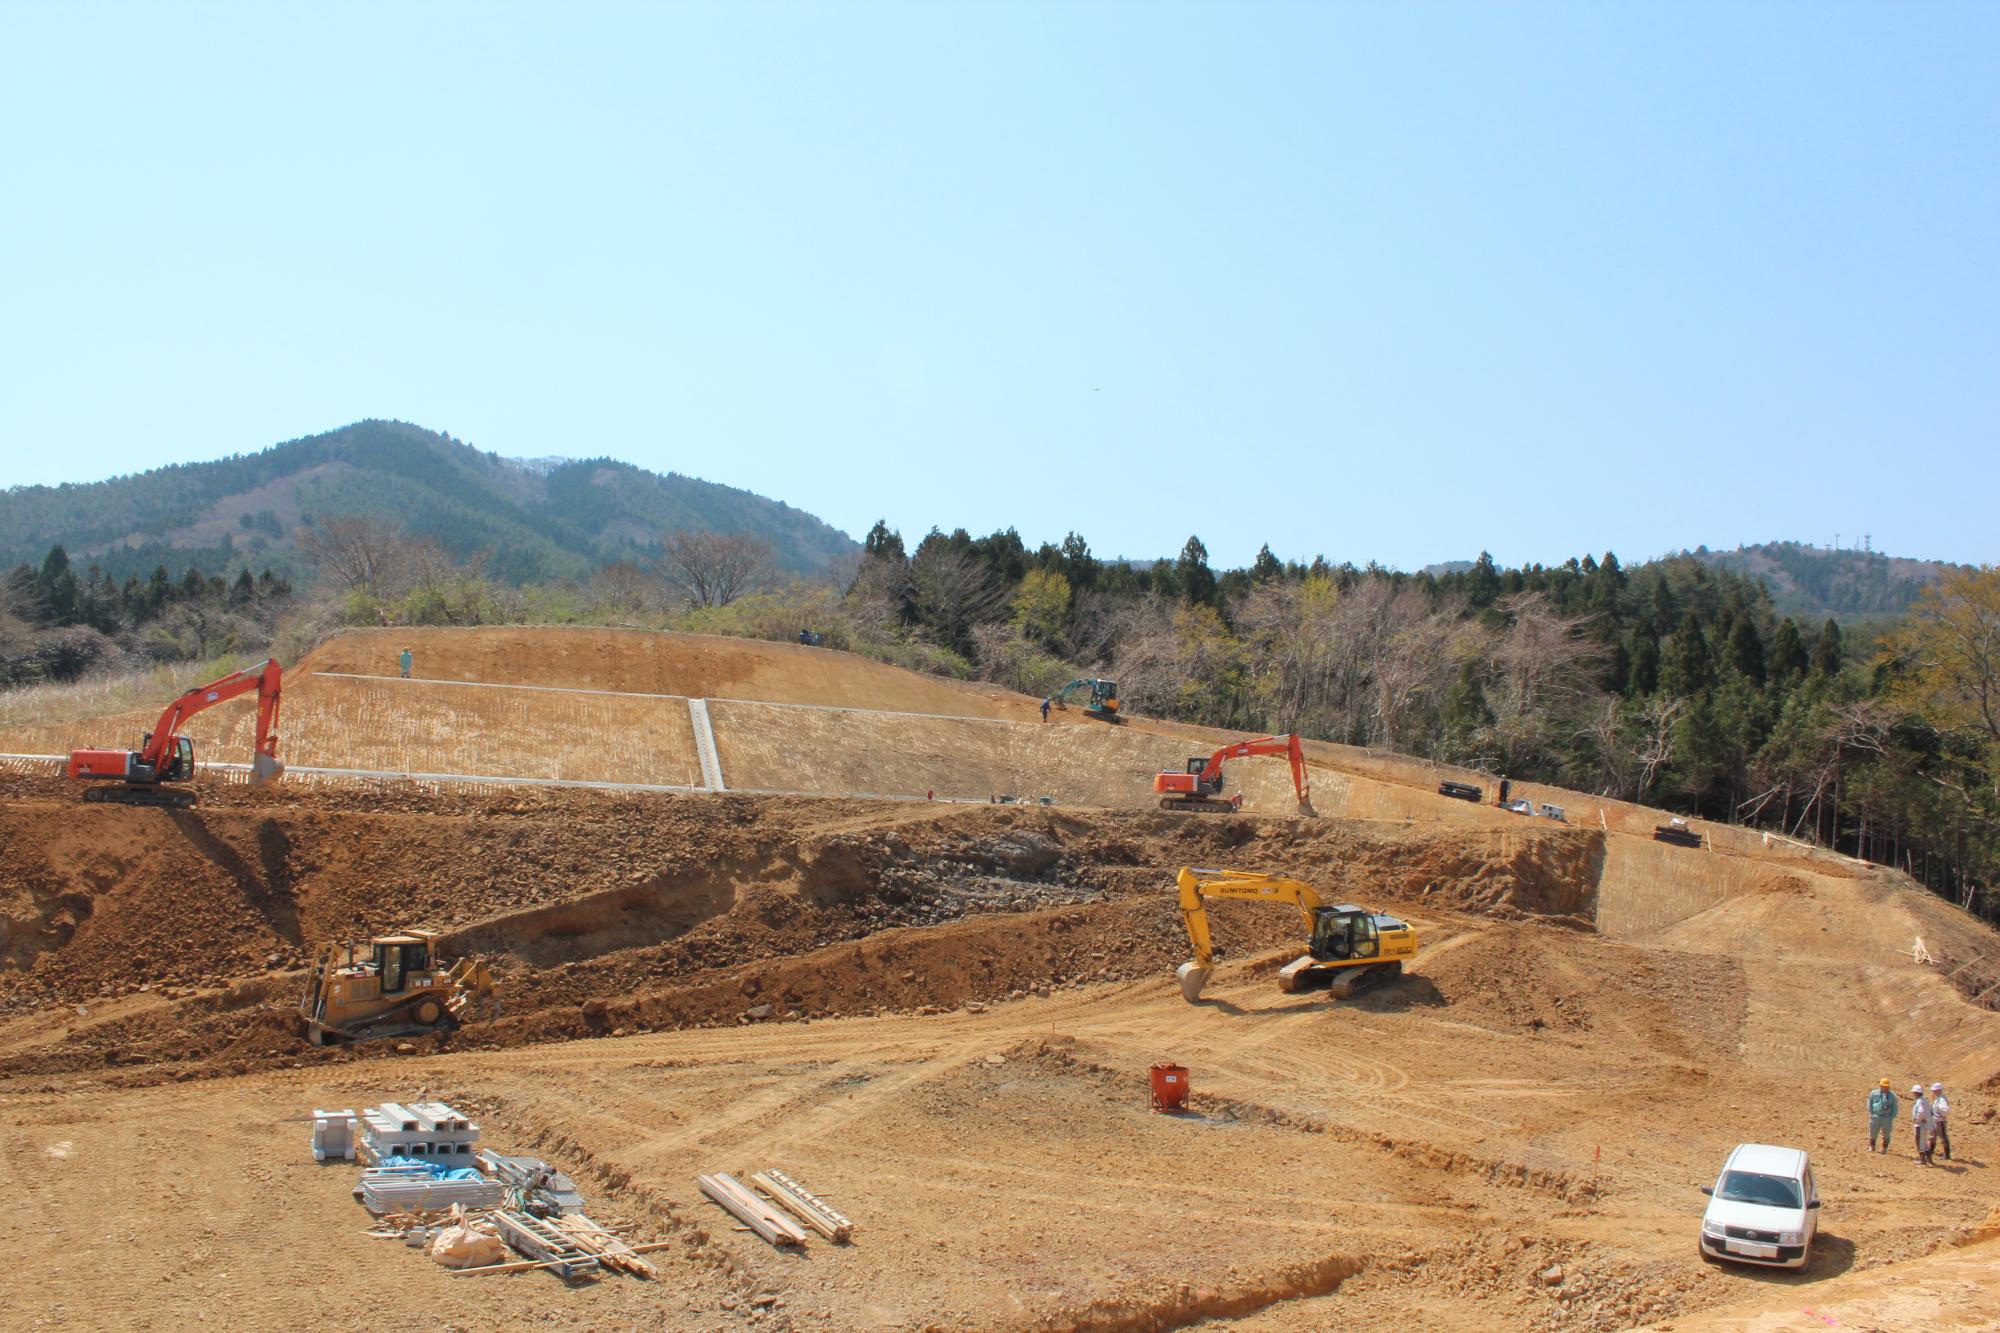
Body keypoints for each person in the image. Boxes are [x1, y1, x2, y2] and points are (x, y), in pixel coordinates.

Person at [1867, 1077, 1898, 1153]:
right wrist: (1872, 1113)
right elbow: (1870, 1103)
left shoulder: (1892, 1096)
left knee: (1886, 1134)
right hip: (1875, 1116)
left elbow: (1895, 1107)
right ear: (1881, 1086)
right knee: (1873, 1132)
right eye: (1884, 1086)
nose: (1886, 1088)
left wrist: (1891, 1117)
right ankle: (1872, 1147)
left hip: (1886, 1117)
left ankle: (1884, 1148)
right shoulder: (1874, 1093)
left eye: (1887, 1086)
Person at [1910, 1084, 1934, 1165]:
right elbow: (1931, 1112)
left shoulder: (1919, 1101)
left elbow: (1921, 1112)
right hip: (1925, 1124)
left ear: (1916, 1093)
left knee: (1920, 1142)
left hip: (1920, 1125)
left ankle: (1922, 1160)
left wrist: (1918, 1119)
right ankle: (1929, 1159)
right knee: (1924, 1141)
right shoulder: (1925, 1101)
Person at [1930, 1082, 1951, 1161]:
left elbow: (1945, 1109)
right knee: (1933, 1135)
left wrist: (1941, 1115)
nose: (1933, 1092)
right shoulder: (1938, 1098)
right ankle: (1931, 1151)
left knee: (1943, 1137)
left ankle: (1947, 1154)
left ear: (1938, 1090)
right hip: (1935, 1120)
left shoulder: (1942, 1099)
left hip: (1940, 1121)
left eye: (1934, 1090)